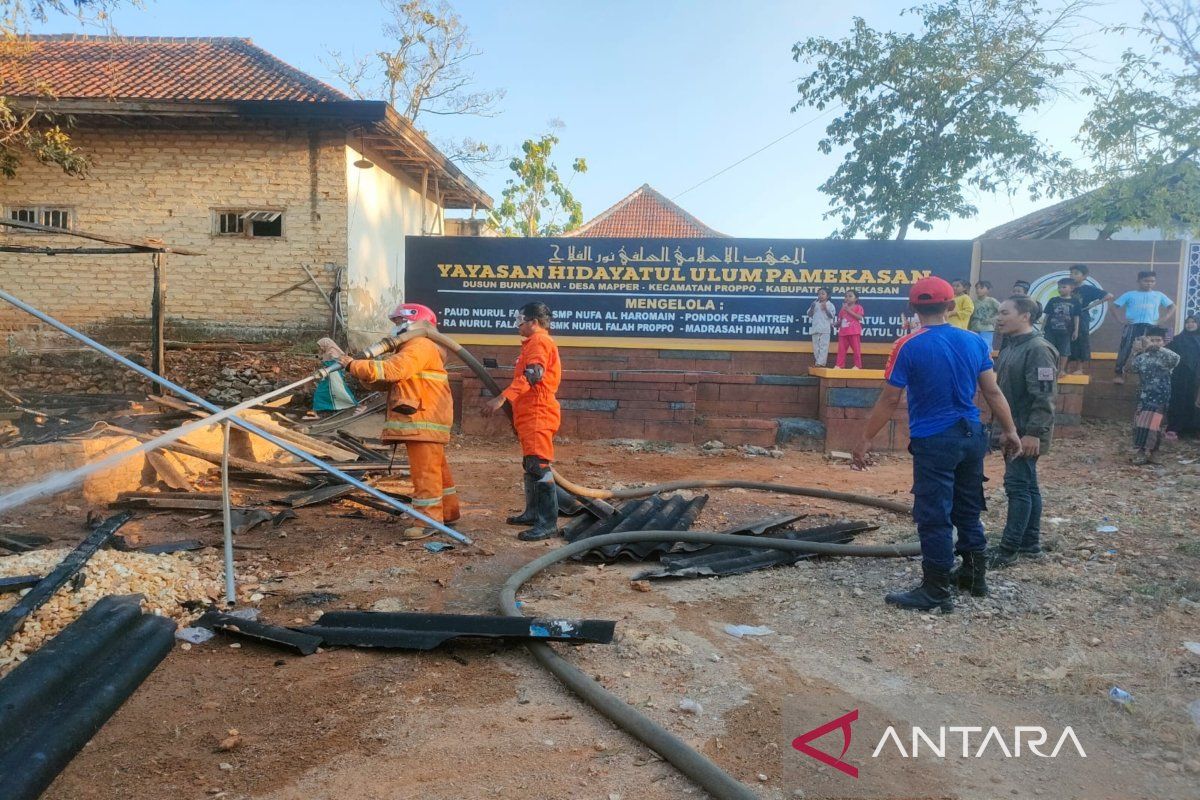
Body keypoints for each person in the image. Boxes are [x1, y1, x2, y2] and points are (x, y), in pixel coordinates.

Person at [852, 277, 1020, 612]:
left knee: (934, 516)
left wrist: (865, 438)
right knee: (968, 509)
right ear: (951, 305)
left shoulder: (908, 345)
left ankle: (936, 590)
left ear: (913, 308)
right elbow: (992, 392)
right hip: (972, 435)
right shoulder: (974, 342)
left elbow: (889, 400)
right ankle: (974, 577)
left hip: (935, 440)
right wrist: (1011, 430)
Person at [340, 303, 458, 539]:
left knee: (425, 473)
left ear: (412, 324)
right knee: (436, 470)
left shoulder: (420, 345)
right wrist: (359, 371)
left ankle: (428, 521)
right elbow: (391, 380)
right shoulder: (416, 347)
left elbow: (394, 370)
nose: (394, 329)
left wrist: (353, 364)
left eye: (397, 323)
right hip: (424, 421)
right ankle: (446, 513)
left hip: (423, 421)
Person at [986, 296, 1058, 571]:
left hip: (1025, 433)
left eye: (1004, 312)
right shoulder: (1011, 346)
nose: (998, 318)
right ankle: (1029, 544)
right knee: (1028, 485)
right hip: (1013, 429)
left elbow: (1045, 396)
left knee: (1018, 488)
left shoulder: (1038, 349)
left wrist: (1032, 434)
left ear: (1025, 315)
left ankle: (1008, 549)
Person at [481, 301, 563, 540]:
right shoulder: (533, 344)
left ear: (534, 322)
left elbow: (533, 375)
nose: (517, 325)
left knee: (539, 465)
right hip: (529, 412)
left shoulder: (540, 342)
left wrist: (501, 399)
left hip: (538, 411)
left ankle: (547, 524)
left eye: (520, 320)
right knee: (530, 464)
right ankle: (533, 513)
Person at [1113, 271, 1175, 384]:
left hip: (1150, 326)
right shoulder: (1130, 294)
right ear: (1139, 281)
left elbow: (1172, 306)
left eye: (1152, 281)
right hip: (1133, 325)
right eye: (1146, 281)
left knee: (1149, 348)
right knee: (1125, 348)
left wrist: (1164, 319)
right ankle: (1119, 373)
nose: (1149, 283)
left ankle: (1146, 374)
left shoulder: (1158, 295)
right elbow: (1114, 306)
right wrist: (1120, 319)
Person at [1129, 326, 1180, 464]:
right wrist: (1136, 352)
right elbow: (1132, 368)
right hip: (1143, 397)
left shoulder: (1166, 356)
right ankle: (1140, 452)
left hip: (1160, 398)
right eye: (1152, 340)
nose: (1155, 343)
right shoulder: (1142, 357)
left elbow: (1176, 359)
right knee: (1140, 425)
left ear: (1163, 342)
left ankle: (1153, 453)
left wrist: (1158, 349)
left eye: (1158, 340)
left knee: (1155, 426)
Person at [1067, 264, 1113, 374]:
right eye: (1071, 273)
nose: (1072, 275)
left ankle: (1079, 368)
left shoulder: (1088, 289)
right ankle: (1066, 367)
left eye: (1076, 273)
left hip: (1082, 317)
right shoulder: (1068, 287)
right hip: (1067, 317)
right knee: (1067, 340)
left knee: (1082, 340)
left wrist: (1089, 307)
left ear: (1084, 276)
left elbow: (1109, 295)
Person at [1167, 316, 1200, 438]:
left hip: (1196, 377)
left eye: (1193, 322)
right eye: (1187, 322)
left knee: (1195, 401)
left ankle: (1194, 428)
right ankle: (1174, 427)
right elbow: (1168, 354)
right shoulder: (1177, 339)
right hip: (1180, 377)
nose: (1190, 324)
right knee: (1178, 400)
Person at [1041, 278, 1081, 376]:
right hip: (1050, 330)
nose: (1060, 289)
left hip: (1066, 331)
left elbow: (1076, 317)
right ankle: (1049, 369)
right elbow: (1047, 315)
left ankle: (1062, 370)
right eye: (1059, 287)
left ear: (1071, 288)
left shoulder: (1075, 302)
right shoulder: (1053, 300)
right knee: (1048, 350)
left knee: (1064, 351)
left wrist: (1076, 330)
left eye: (1064, 287)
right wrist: (1042, 328)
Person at [312, 337, 357, 412]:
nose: (320, 348)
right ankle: (318, 410)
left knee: (324, 392)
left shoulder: (332, 352)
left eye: (320, 346)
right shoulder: (327, 352)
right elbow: (322, 358)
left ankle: (354, 405)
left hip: (333, 377)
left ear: (325, 345)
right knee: (326, 392)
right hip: (328, 377)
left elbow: (335, 363)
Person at [835, 290, 865, 369]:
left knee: (856, 350)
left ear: (856, 299)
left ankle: (857, 365)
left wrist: (848, 310)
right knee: (841, 350)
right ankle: (839, 365)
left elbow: (860, 317)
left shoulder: (858, 307)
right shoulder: (842, 309)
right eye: (846, 296)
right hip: (843, 333)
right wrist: (836, 324)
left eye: (850, 296)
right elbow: (841, 320)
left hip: (854, 332)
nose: (847, 298)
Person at [807, 288, 837, 367]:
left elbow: (831, 316)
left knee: (824, 346)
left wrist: (826, 309)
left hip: (825, 329)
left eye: (823, 294)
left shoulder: (830, 305)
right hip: (815, 328)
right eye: (819, 294)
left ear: (827, 296)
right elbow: (809, 314)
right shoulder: (815, 303)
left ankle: (821, 363)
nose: (821, 296)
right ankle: (817, 362)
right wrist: (812, 307)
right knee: (816, 347)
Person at [969, 281, 1001, 350]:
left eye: (981, 288)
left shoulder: (992, 301)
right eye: (977, 288)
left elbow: (1002, 311)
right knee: (974, 346)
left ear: (988, 290)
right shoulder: (973, 302)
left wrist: (994, 319)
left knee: (986, 346)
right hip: (974, 328)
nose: (978, 290)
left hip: (987, 328)